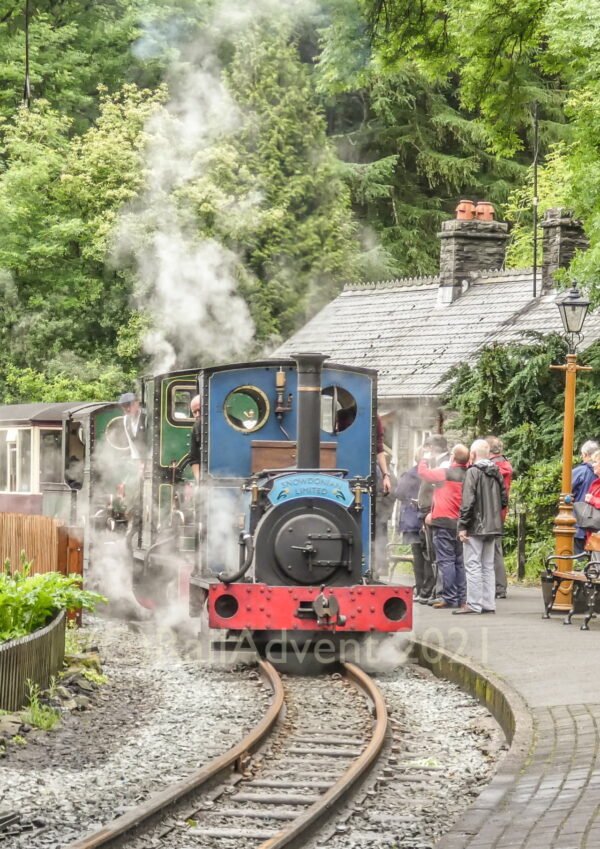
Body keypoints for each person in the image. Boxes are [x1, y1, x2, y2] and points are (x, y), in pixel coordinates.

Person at [455, 439, 508, 615]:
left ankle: (474, 604)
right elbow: (504, 500)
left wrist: (462, 525)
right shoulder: (497, 472)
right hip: (493, 526)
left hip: (475, 526)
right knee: (487, 565)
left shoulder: (473, 472)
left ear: (473, 454)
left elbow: (468, 501)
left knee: (473, 565)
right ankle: (488, 603)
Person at [417, 443, 469, 609]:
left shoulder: (446, 473)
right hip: (461, 523)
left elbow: (424, 473)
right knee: (459, 562)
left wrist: (424, 457)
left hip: (443, 522)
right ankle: (462, 598)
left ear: (453, 457)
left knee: (446, 561)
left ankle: (449, 597)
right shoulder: (469, 475)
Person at [417, 434, 450, 604]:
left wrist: (431, 510)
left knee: (436, 554)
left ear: (434, 448)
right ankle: (431, 591)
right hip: (427, 511)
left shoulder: (444, 464)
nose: (426, 451)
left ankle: (437, 592)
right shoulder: (437, 462)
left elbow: (440, 490)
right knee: (429, 553)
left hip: (433, 512)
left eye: (428, 447)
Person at [394, 457, 429, 599]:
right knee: (427, 557)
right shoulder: (434, 470)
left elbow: (399, 493)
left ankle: (421, 588)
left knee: (419, 556)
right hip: (426, 518)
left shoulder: (411, 473)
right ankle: (425, 588)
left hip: (414, 520)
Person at [486, 436, 513, 598]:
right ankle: (498, 586)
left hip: (492, 513)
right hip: (498, 512)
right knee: (495, 549)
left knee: (494, 550)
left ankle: (498, 587)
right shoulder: (504, 465)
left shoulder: (493, 468)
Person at [573, 440, 599, 554]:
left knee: (580, 559)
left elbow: (566, 491)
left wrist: (592, 500)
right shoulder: (595, 478)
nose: (594, 464)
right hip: (593, 527)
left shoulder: (579, 472)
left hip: (581, 523)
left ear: (584, 454)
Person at [118, 392, 147, 461]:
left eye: (130, 405)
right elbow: (132, 444)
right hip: (136, 459)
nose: (128, 409)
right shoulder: (125, 419)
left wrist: (148, 460)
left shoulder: (147, 417)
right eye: (124, 406)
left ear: (137, 403)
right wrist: (137, 460)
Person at [189, 394, 202, 483]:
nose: (197, 415)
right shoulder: (196, 427)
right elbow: (194, 458)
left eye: (200, 410)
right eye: (194, 412)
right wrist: (198, 480)